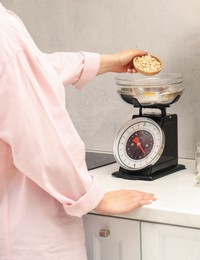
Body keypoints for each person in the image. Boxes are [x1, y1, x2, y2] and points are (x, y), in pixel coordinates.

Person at [0, 3, 157, 260]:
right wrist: (93, 198)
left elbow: (29, 70)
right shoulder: (3, 32)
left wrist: (102, 62)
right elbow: (41, 141)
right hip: (31, 232)